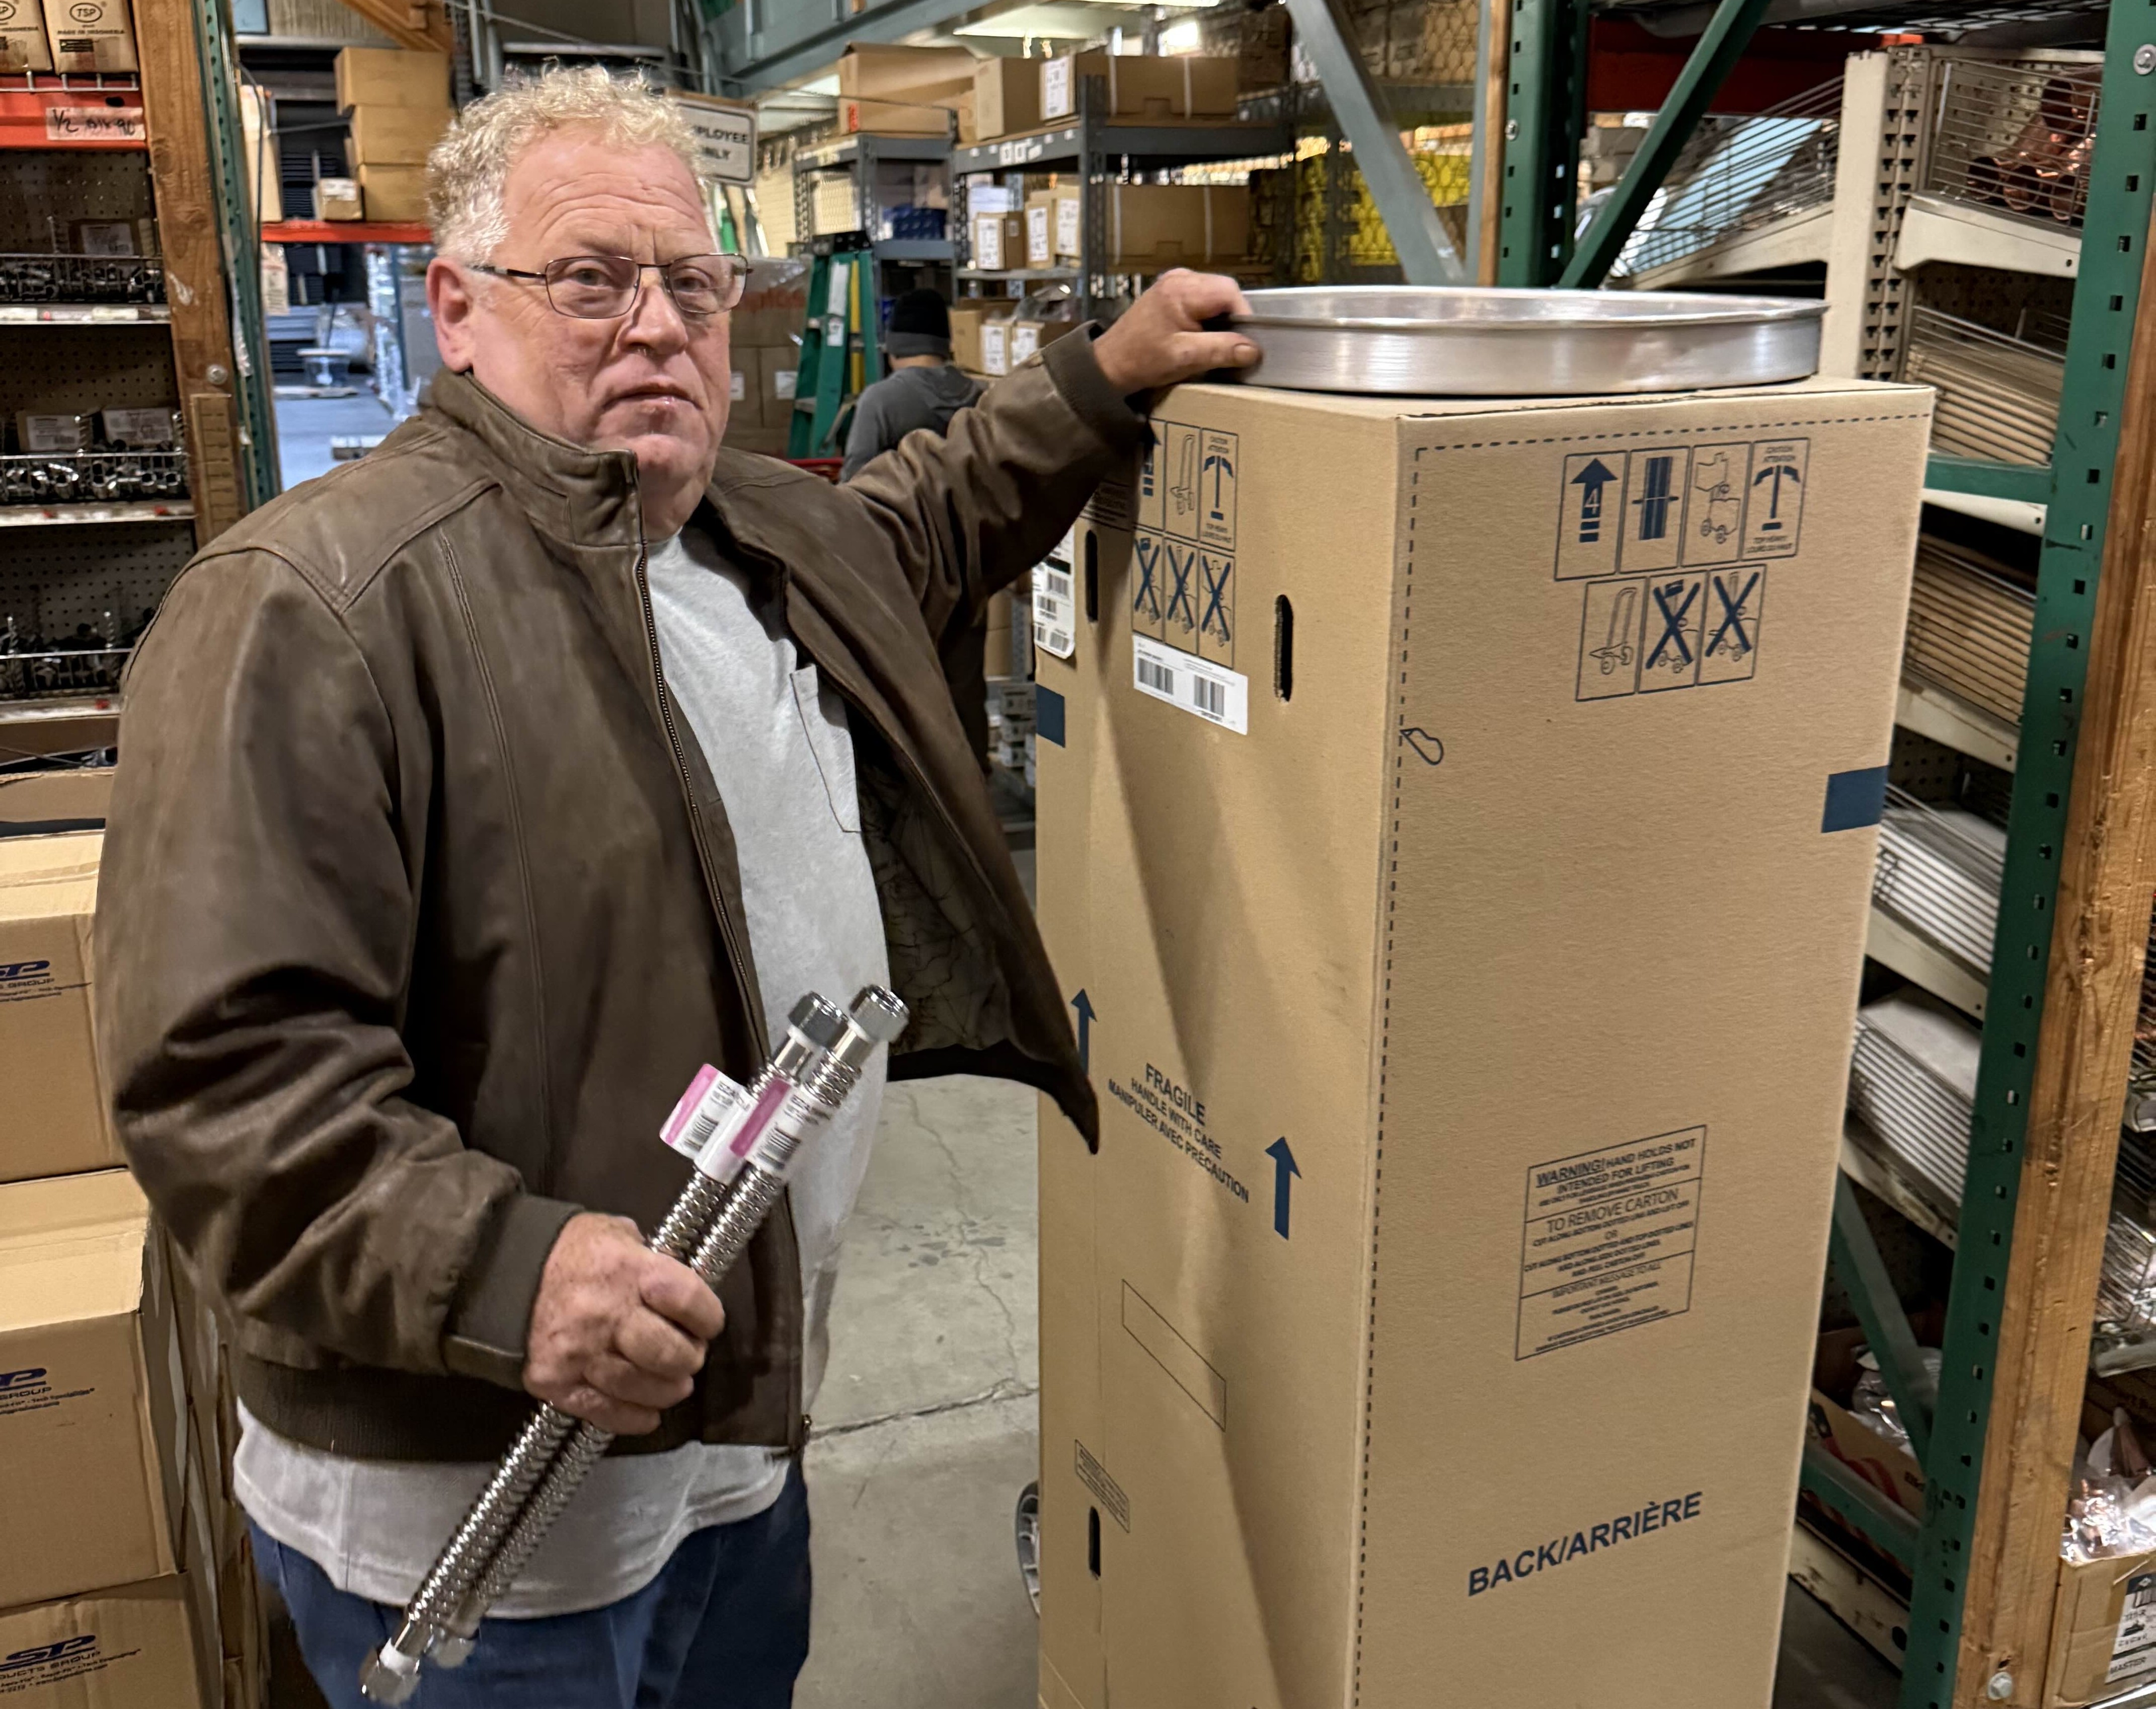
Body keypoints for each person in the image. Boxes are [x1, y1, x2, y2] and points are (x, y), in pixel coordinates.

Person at [91, 67, 1256, 1709]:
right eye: (589, 280)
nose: (655, 324)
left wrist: (1102, 375)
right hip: (481, 1528)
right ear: (456, 311)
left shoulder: (756, 531)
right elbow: (226, 1082)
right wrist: (507, 1272)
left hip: (731, 1442)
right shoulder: (311, 608)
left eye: (692, 284)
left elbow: (932, 515)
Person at [837, 287, 984, 483]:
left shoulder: (880, 400)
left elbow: (854, 481)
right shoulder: (980, 395)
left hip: (900, 503)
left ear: (893, 349)